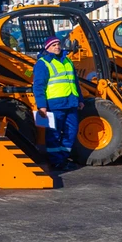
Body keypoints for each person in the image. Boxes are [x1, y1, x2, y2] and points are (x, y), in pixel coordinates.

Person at [32, 36, 84, 170]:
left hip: (71, 102)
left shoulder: (67, 61)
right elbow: (38, 86)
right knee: (54, 134)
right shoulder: (43, 63)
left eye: (58, 44)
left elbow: (75, 83)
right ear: (47, 47)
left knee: (71, 132)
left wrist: (80, 99)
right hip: (55, 104)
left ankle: (63, 158)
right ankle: (56, 161)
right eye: (53, 45)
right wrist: (42, 106)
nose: (57, 46)